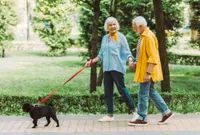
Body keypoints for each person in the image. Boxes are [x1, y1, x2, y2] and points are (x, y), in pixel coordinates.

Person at [85, 17, 138, 122]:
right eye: (110, 25)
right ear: (107, 27)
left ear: (117, 25)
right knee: (107, 92)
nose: (112, 26)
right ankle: (110, 115)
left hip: (117, 68)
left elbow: (127, 53)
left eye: (114, 24)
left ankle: (135, 111)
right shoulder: (105, 38)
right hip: (107, 69)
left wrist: (131, 61)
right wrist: (91, 61)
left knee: (122, 90)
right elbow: (101, 55)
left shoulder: (121, 37)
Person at [128, 16, 173, 126]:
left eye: (134, 27)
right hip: (145, 70)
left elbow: (153, 57)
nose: (133, 29)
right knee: (150, 92)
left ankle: (142, 117)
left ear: (141, 26)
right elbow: (142, 56)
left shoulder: (148, 37)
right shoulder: (142, 37)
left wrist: (148, 73)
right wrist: (135, 62)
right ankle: (166, 112)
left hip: (147, 72)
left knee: (143, 94)